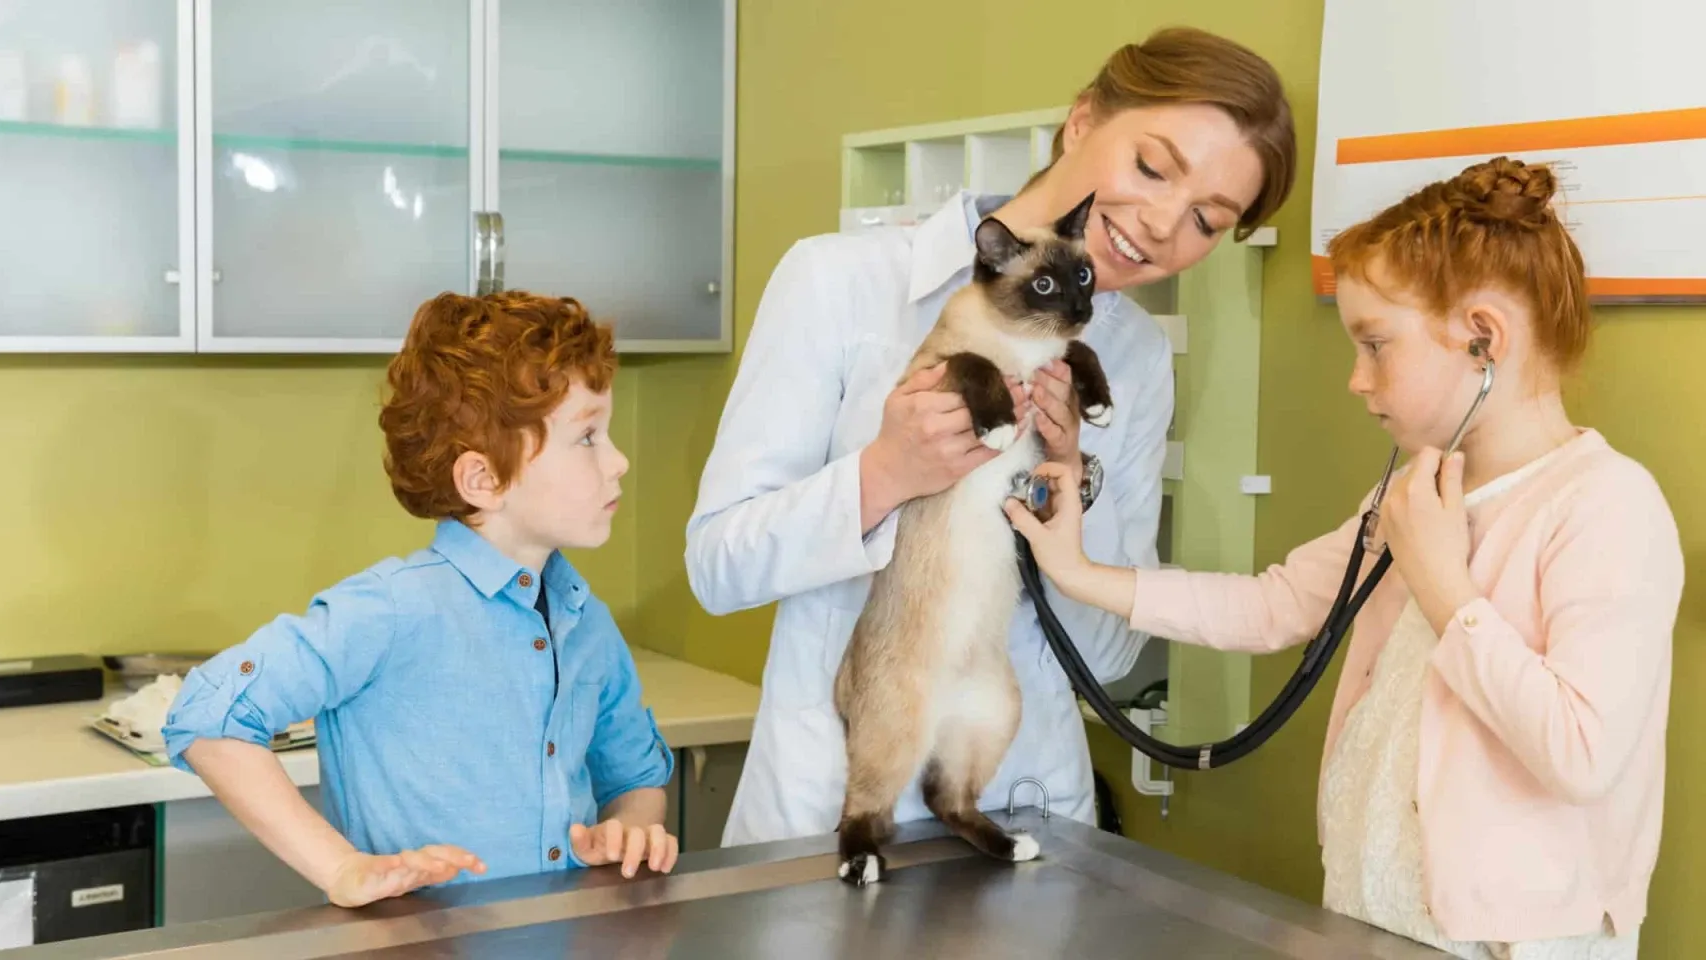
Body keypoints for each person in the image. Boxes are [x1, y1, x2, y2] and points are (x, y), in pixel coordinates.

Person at [1006, 157, 1681, 958]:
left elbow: (1581, 753)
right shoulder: (1414, 493)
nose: (1358, 382)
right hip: (1373, 913)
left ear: (1483, 338)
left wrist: (1444, 588)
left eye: (1375, 345)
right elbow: (1273, 605)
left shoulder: (1606, 504)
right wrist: (1079, 571)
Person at [685, 26, 1298, 846]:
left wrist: (1070, 486)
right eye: (1152, 167)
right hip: (823, 806)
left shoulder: (1137, 358)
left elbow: (1110, 656)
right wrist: (886, 473)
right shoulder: (840, 281)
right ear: (1082, 121)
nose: (1160, 224)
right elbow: (718, 565)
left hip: (1023, 797)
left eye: (1207, 220)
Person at [163, 291, 681, 908]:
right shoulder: (390, 611)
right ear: (484, 479)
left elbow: (635, 778)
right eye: (588, 436)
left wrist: (628, 828)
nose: (619, 460)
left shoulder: (585, 620)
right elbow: (207, 715)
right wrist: (340, 869)